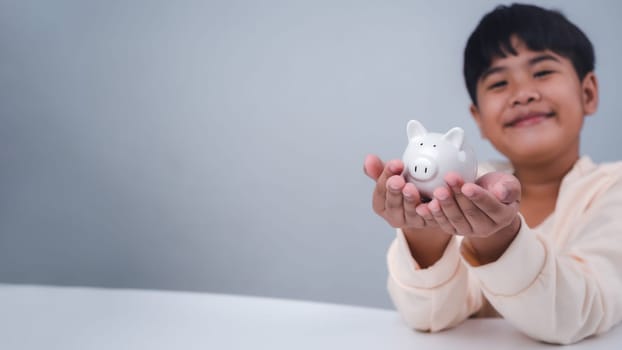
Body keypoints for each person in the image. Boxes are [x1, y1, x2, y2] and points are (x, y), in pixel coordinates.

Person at [363, 3, 622, 345]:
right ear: (479, 119)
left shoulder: (612, 191)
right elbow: (430, 318)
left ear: (588, 93)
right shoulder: (464, 190)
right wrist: (424, 235)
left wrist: (500, 239)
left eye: (542, 72)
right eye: (499, 83)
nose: (522, 94)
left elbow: (581, 311)